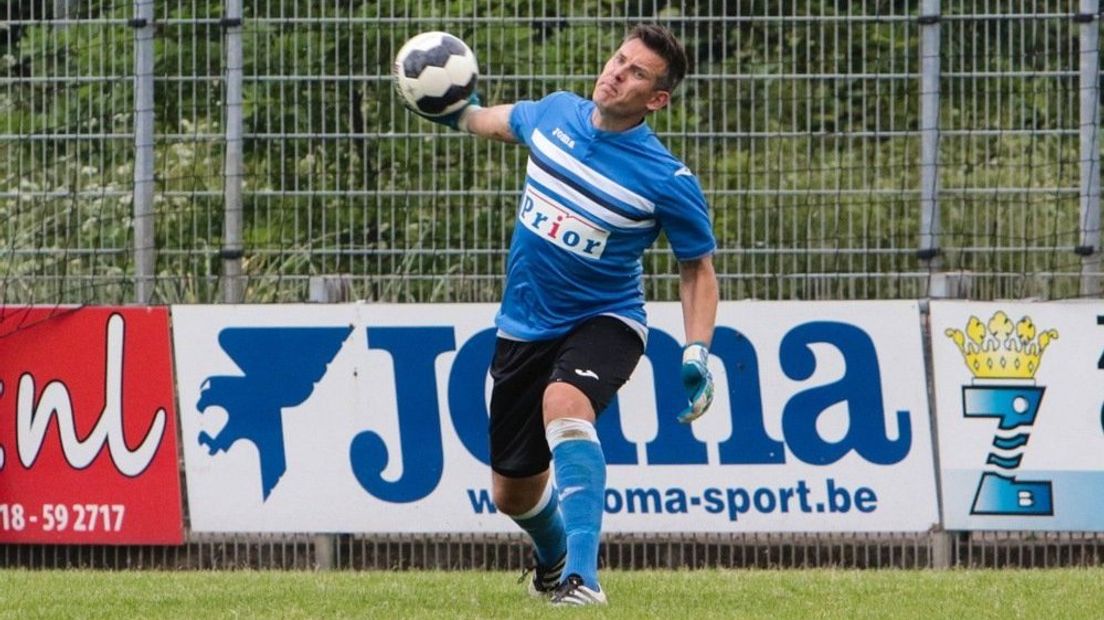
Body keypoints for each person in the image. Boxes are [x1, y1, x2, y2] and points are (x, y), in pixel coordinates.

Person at [409, 24, 718, 606]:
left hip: (607, 320)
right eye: (619, 59)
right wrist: (446, 106)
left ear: (657, 100)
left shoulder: (667, 180)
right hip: (524, 326)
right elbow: (489, 120)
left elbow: (697, 269)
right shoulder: (553, 115)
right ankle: (552, 560)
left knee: (565, 403)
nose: (617, 73)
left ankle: (583, 578)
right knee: (513, 493)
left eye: (636, 73)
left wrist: (697, 348)